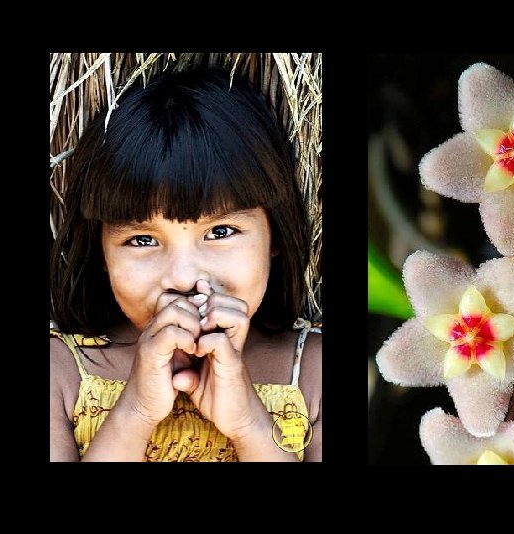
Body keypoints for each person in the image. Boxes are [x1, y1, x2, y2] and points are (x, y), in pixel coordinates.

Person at [50, 65, 322, 462]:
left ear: (276, 235)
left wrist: (248, 423)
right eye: (141, 240)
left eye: (221, 232)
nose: (183, 277)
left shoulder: (311, 371)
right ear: (102, 254)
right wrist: (137, 411)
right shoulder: (63, 371)